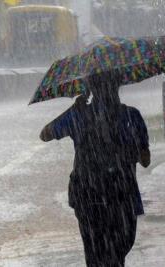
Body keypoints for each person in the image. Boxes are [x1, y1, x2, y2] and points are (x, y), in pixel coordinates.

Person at [40, 72, 150, 267]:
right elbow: (146, 160)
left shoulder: (79, 115)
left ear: (90, 89)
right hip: (122, 197)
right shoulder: (131, 116)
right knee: (117, 254)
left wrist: (72, 110)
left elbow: (45, 134)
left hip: (87, 197)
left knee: (94, 254)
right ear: (117, 87)